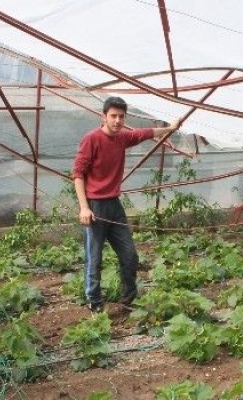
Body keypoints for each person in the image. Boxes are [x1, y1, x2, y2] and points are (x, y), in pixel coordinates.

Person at [72, 96, 181, 313]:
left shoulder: (122, 138)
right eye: (113, 116)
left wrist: (170, 128)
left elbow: (144, 134)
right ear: (103, 117)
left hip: (114, 205)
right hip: (95, 206)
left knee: (129, 254)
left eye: (121, 117)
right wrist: (84, 207)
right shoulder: (91, 139)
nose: (117, 121)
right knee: (94, 258)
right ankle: (95, 303)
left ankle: (127, 301)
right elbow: (78, 175)